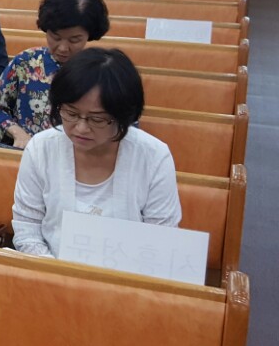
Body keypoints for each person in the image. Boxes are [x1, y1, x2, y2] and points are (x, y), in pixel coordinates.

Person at [12, 48, 181, 258]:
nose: (81, 128)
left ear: (123, 116)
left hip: (127, 273)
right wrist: (57, 271)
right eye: (71, 113)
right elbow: (27, 228)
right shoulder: (41, 148)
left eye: (97, 119)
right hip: (51, 270)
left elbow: (161, 239)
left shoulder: (153, 157)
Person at [0, 0, 109, 149]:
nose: (63, 48)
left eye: (74, 40)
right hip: (27, 151)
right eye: (55, 37)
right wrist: (17, 133)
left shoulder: (102, 71)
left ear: (89, 35)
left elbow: (122, 125)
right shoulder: (26, 62)